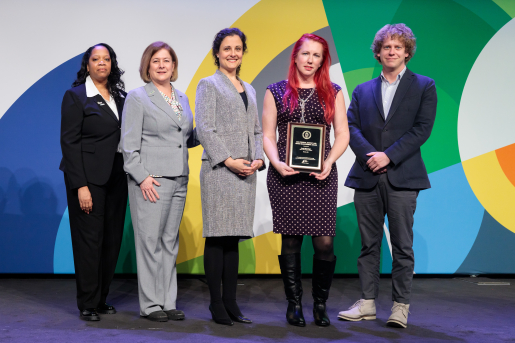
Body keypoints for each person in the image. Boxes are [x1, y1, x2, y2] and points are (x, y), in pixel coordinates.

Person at [337, 24, 437, 328]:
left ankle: (400, 306)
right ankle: (367, 303)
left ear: (407, 52)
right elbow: (350, 127)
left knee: (402, 245)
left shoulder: (424, 86)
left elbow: (422, 129)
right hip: (367, 175)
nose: (392, 52)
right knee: (368, 245)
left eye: (398, 47)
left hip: (403, 176)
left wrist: (388, 156)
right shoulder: (362, 90)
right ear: (378, 52)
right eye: (386, 47)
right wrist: (371, 155)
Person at [262, 33, 349, 327]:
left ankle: (320, 305)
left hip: (321, 175)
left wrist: (328, 161)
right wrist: (275, 162)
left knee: (324, 244)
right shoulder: (275, 91)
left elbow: (343, 134)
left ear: (322, 61)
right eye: (306, 54)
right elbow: (267, 135)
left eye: (317, 56)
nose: (310, 60)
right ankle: (294, 304)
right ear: (295, 56)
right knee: (291, 241)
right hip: (285, 176)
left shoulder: (333, 91)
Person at [121, 41, 199, 322]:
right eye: (156, 61)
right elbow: (128, 146)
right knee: (150, 242)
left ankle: (168, 301)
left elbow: (184, 138)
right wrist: (141, 178)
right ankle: (151, 304)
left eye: (167, 60)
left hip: (179, 178)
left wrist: (213, 130)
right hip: (151, 181)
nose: (162, 65)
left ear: (174, 66)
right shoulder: (138, 97)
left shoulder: (182, 98)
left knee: (169, 242)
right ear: (147, 66)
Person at [195, 28, 265, 326]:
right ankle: (215, 304)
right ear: (217, 53)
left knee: (234, 238)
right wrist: (229, 160)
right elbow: (205, 129)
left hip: (247, 172)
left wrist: (259, 158)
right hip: (220, 171)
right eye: (227, 48)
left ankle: (231, 302)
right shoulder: (208, 84)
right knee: (217, 237)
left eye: (238, 48)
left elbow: (258, 130)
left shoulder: (248, 88)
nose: (233, 53)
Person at [60, 43, 127, 321]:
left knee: (111, 240)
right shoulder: (76, 96)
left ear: (112, 64)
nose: (102, 63)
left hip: (117, 177)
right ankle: (87, 302)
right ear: (87, 65)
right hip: (88, 179)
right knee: (89, 241)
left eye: (106, 59)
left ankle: (101, 299)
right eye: (96, 59)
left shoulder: (121, 97)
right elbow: (69, 143)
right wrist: (81, 186)